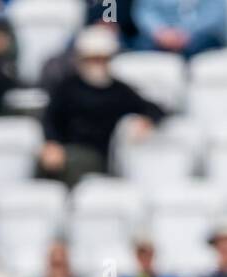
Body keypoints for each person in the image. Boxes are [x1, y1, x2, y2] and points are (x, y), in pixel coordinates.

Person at [38, 26, 163, 187]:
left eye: (102, 59)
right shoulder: (67, 87)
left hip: (97, 156)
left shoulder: (119, 91)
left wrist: (147, 120)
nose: (97, 65)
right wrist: (52, 143)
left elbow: (154, 108)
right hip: (64, 150)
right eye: (92, 59)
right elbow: (51, 119)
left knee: (72, 165)